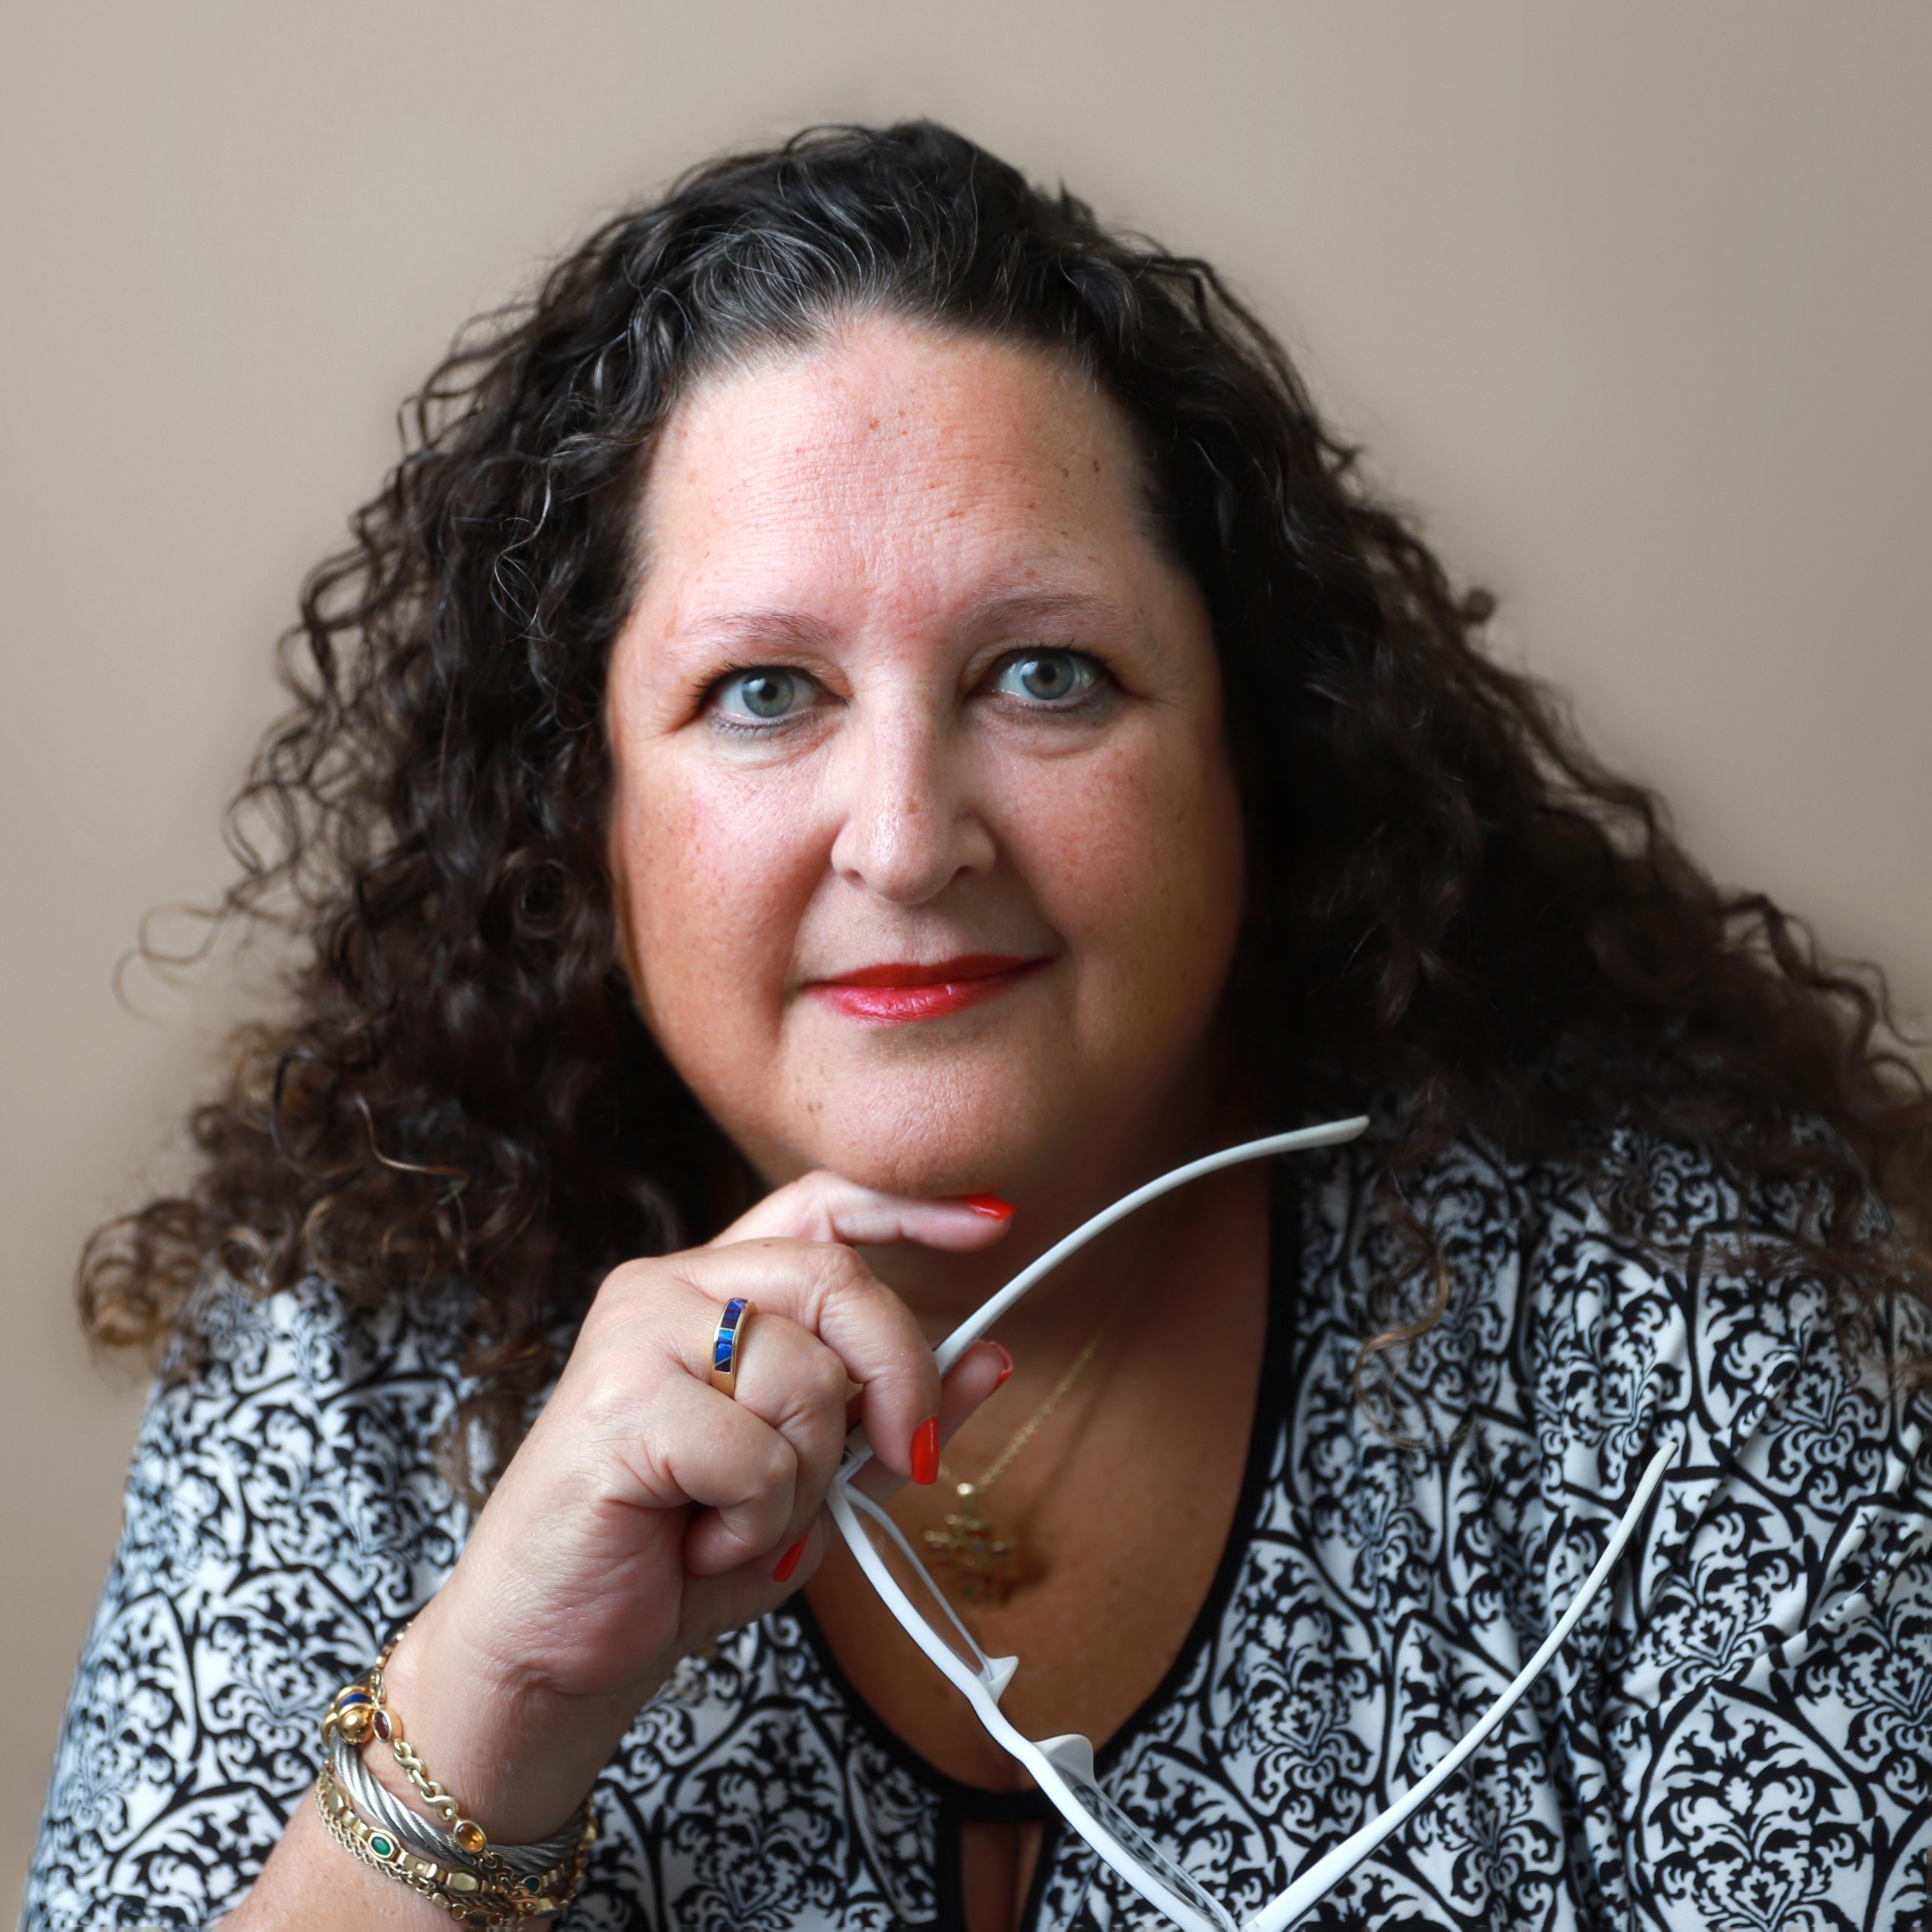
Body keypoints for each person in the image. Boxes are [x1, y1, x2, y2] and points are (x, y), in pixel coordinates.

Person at [21, 118, 1932, 1932]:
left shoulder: (1689, 1335)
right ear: (578, 800)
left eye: (1044, 673)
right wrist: (482, 1707)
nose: (910, 839)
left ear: (1249, 752)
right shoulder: (353, 1356)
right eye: (763, 690)